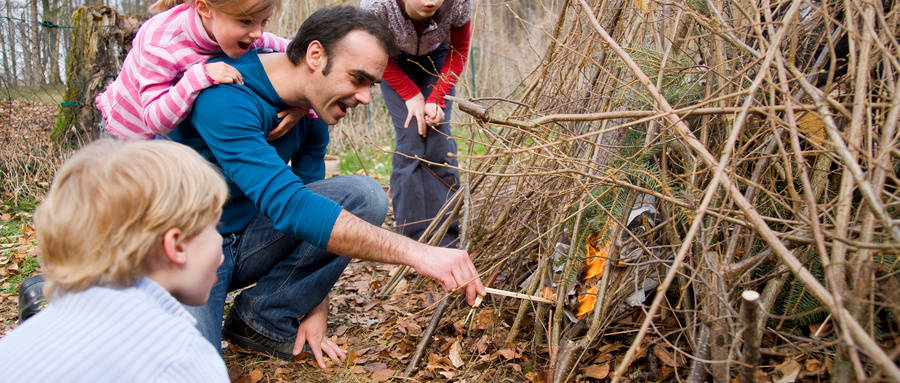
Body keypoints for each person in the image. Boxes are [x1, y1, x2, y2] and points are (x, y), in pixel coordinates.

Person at [169, 5, 485, 368]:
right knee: (195, 367)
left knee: (362, 196)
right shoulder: (225, 96)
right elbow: (290, 206)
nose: (366, 97)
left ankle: (260, 317)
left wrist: (312, 307)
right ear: (315, 55)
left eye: (372, 85)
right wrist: (420, 253)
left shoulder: (310, 114)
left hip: (245, 240)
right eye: (358, 78)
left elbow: (312, 217)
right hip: (189, 248)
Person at [0, 139, 230, 382]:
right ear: (176, 245)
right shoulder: (179, 358)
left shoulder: (18, 344)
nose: (219, 239)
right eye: (216, 227)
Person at [95, 0, 305, 140]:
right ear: (205, 8)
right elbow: (155, 121)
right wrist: (198, 76)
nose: (257, 33)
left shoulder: (240, 34)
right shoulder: (162, 44)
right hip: (128, 137)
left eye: (264, 22)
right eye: (246, 21)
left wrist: (305, 105)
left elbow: (300, 55)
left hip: (171, 140)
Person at [361, 0, 472, 247]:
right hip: (392, 61)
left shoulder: (459, 4)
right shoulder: (376, 7)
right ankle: (411, 239)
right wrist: (410, 94)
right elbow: (372, 50)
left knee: (438, 138)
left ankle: (446, 238)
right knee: (411, 137)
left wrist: (437, 97)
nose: (430, 1)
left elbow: (460, 49)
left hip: (439, 59)